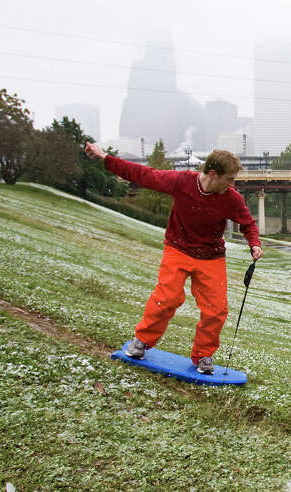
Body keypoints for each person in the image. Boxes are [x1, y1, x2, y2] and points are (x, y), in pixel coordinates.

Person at [85, 142, 263, 374]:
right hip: (177, 249)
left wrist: (255, 244)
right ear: (212, 174)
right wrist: (104, 157)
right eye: (229, 179)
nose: (232, 184)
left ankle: (204, 356)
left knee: (216, 309)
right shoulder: (182, 182)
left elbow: (247, 223)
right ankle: (141, 342)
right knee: (166, 298)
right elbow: (143, 174)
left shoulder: (231, 198)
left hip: (211, 257)